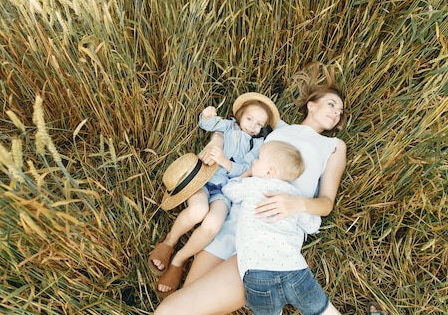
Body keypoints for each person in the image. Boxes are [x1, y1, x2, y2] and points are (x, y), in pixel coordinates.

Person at [154, 63, 354, 315]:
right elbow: (234, 132)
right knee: (186, 298)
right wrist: (214, 135)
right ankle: (178, 260)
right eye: (332, 104)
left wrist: (298, 204)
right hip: (238, 215)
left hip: (271, 234)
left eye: (340, 111)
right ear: (311, 105)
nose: (337, 113)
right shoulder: (276, 128)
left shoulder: (334, 146)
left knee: (173, 311)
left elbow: (326, 202)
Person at [149, 92, 280, 295]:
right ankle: (169, 242)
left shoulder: (256, 146)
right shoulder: (227, 126)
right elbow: (208, 124)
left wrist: (225, 162)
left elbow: (244, 169)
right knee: (198, 209)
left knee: (213, 224)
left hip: (224, 190)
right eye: (249, 119)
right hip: (203, 180)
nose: (252, 126)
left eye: (259, 124)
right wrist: (207, 115)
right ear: (240, 114)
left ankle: (179, 260)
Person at [222, 140, 337, 315]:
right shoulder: (294, 196)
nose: (254, 162)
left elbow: (229, 189)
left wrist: (247, 173)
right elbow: (313, 225)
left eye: (258, 159)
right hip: (294, 268)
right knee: (320, 308)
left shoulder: (252, 185)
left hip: (257, 273)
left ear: (269, 171)